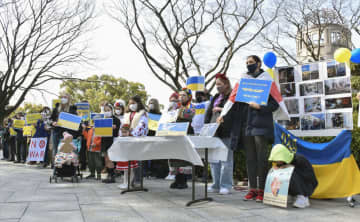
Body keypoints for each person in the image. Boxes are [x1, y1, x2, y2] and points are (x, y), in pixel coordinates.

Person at [217, 55, 279, 202]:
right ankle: (252, 190)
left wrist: (260, 107)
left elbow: (275, 103)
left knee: (261, 159)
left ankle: (262, 191)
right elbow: (233, 101)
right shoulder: (243, 81)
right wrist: (224, 114)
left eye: (251, 62)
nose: (248, 65)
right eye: (246, 63)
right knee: (250, 160)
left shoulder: (266, 80)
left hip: (261, 126)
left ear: (258, 63)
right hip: (246, 126)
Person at [205, 73, 233, 195]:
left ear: (226, 84)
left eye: (219, 84)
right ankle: (215, 184)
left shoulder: (232, 96)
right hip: (213, 131)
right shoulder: (216, 96)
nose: (217, 87)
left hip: (226, 131)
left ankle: (225, 185)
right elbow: (208, 113)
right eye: (216, 84)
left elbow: (235, 111)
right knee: (214, 160)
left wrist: (221, 110)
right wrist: (206, 127)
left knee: (226, 160)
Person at [268, 144, 318, 208]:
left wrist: (288, 167)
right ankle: (292, 195)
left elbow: (308, 176)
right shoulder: (283, 163)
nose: (277, 162)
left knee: (290, 173)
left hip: (307, 185)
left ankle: (302, 197)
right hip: (300, 183)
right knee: (279, 174)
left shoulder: (299, 159)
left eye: (278, 160)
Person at [116, 95, 148, 189]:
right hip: (127, 140)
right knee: (127, 162)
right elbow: (122, 126)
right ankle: (127, 181)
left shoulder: (142, 114)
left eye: (133, 103)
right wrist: (122, 133)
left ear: (138, 103)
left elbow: (142, 125)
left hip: (137, 140)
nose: (131, 105)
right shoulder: (127, 114)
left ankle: (136, 181)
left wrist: (132, 134)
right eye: (130, 103)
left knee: (136, 162)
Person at [169, 88, 195, 189]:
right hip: (175, 132)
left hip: (186, 131)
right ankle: (177, 179)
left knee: (184, 157)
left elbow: (189, 114)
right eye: (180, 95)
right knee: (175, 156)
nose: (181, 97)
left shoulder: (191, 106)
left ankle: (183, 181)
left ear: (189, 97)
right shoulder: (175, 107)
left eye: (184, 95)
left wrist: (177, 111)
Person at [49, 92, 72, 168]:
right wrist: (53, 123)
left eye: (65, 97)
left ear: (68, 99)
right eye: (62, 97)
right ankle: (56, 166)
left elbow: (75, 121)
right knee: (55, 149)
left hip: (66, 132)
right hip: (56, 131)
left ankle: (64, 167)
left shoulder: (72, 109)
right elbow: (50, 120)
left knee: (64, 149)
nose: (63, 99)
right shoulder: (56, 108)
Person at [101, 102, 121, 183]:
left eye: (108, 110)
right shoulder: (102, 119)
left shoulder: (116, 120)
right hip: (104, 141)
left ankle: (112, 176)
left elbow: (116, 131)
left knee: (111, 159)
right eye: (105, 110)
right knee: (106, 159)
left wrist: (113, 127)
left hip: (112, 141)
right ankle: (108, 174)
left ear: (112, 110)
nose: (107, 111)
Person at [164, 93, 181, 181]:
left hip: (177, 135)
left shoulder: (180, 110)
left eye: (175, 101)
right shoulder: (166, 111)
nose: (173, 103)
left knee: (177, 155)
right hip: (169, 135)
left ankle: (177, 173)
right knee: (170, 154)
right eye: (171, 101)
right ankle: (171, 171)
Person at [115, 124, 138, 189]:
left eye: (125, 132)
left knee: (130, 170)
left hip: (130, 156)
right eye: (122, 132)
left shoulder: (132, 138)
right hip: (123, 156)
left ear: (129, 131)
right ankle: (125, 183)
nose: (124, 133)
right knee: (125, 170)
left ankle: (129, 183)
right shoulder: (121, 137)